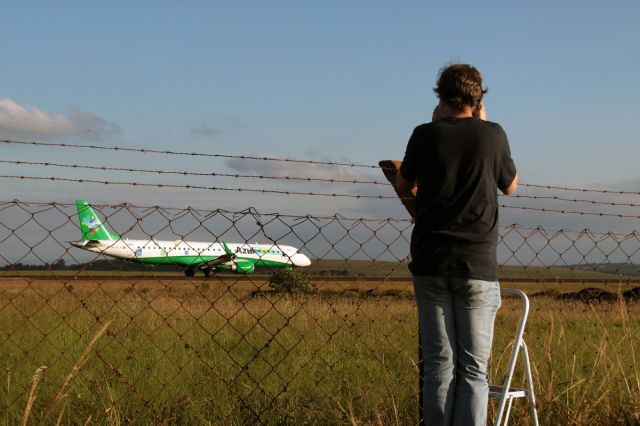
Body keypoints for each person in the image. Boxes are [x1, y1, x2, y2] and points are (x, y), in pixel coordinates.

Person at [396, 63, 518, 425]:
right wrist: (484, 122)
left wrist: (436, 125)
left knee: (438, 366)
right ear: (478, 99)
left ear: (440, 96)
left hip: (431, 262)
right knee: (474, 372)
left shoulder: (424, 134)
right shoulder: (493, 135)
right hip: (477, 265)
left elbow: (405, 186)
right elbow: (510, 186)